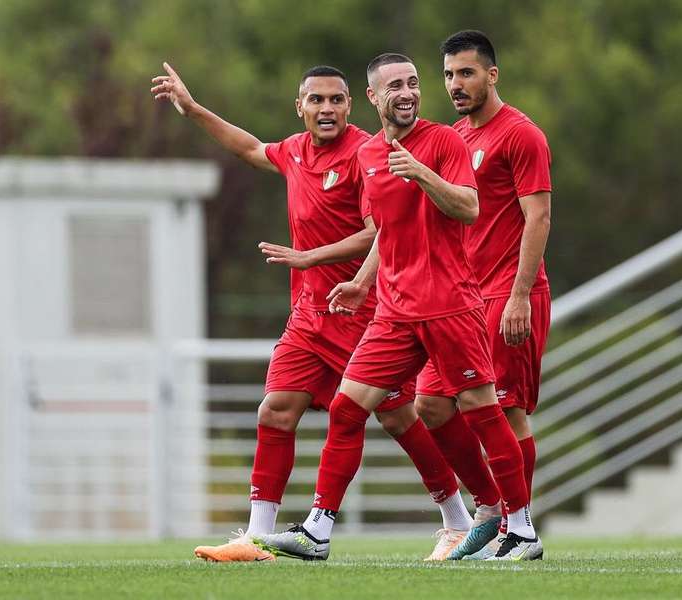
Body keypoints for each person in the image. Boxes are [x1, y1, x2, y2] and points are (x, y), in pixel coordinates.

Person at [151, 62, 471, 562]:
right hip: (308, 316)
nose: (327, 109)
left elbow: (381, 230)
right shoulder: (295, 152)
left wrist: (312, 258)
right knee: (275, 411)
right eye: (316, 100)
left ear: (351, 104)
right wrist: (192, 109)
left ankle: (457, 518)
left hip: (361, 313)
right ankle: (257, 538)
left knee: (399, 418)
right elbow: (249, 147)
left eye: (336, 100)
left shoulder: (370, 153)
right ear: (299, 107)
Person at [254, 53, 542, 562]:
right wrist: (364, 283)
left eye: (413, 83)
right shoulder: (367, 155)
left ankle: (519, 529)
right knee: (347, 409)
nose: (407, 93)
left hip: (450, 304)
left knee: (481, 408)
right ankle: (318, 529)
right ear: (373, 97)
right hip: (394, 309)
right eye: (395, 86)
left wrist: (421, 173)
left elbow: (470, 207)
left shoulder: (444, 141)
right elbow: (385, 231)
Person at [415, 30, 553, 560]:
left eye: (466, 73)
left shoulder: (521, 135)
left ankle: (519, 527)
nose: (455, 84)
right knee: (430, 403)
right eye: (449, 74)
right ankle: (492, 507)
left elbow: (538, 216)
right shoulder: (454, 136)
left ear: (491, 75)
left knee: (507, 410)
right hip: (462, 300)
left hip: (508, 293)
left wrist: (520, 295)